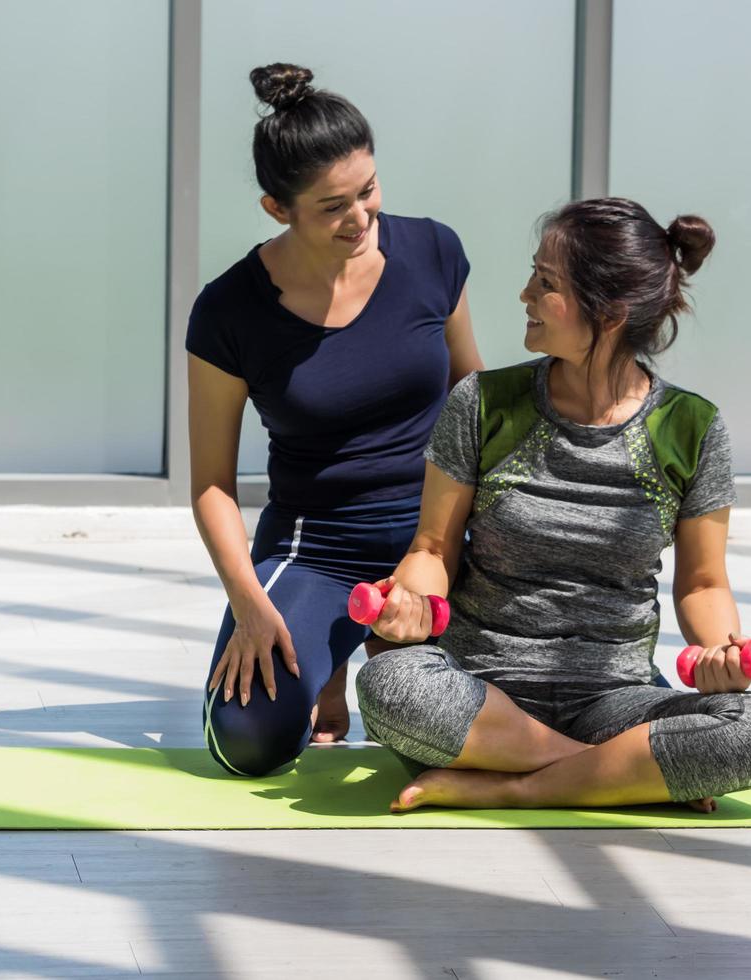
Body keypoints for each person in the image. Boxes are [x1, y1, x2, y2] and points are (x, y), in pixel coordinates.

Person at [354, 198, 751, 812]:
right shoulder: (483, 402)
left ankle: (511, 787)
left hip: (616, 701)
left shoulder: (692, 426)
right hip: (481, 694)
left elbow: (702, 583)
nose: (523, 294)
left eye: (545, 283)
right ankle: (615, 776)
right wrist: (410, 602)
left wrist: (723, 653)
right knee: (390, 685)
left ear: (610, 312)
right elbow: (431, 549)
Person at [187, 64, 483, 777]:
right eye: (333, 206)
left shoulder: (433, 253)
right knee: (249, 740)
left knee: (520, 704)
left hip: (438, 535)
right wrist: (251, 603)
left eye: (369, 190)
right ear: (275, 207)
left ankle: (375, 645)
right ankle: (333, 654)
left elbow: (474, 399)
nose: (361, 218)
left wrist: (461, 545)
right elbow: (212, 485)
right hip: (317, 545)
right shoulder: (229, 311)